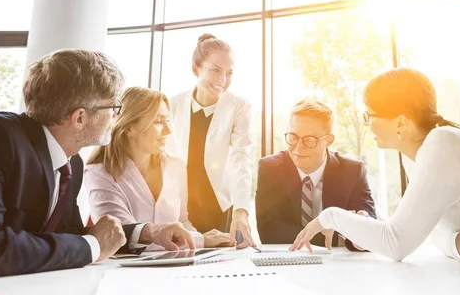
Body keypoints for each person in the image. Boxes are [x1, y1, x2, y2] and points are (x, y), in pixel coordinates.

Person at [0, 49, 196, 278]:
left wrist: (148, 232)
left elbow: (71, 234)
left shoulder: (72, 164)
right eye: (114, 108)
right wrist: (92, 247)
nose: (117, 117)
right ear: (80, 118)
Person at [291, 68, 460, 264]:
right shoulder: (415, 155)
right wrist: (455, 243)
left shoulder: (443, 144)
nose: (367, 125)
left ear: (401, 122)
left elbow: (396, 244)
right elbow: (430, 232)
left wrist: (329, 216)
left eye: (369, 116)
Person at [85, 87, 233, 250]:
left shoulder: (176, 168)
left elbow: (182, 222)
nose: (168, 130)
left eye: (167, 120)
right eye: (158, 121)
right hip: (124, 271)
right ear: (129, 127)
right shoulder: (99, 173)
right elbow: (120, 234)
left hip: (175, 266)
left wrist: (201, 243)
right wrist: (200, 240)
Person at [165, 34, 255, 248]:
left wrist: (241, 209)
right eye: (215, 70)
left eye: (229, 73)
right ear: (196, 70)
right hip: (179, 205)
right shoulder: (172, 104)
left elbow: (241, 157)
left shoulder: (238, 106)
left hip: (220, 206)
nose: (222, 80)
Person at [256, 100, 376, 250]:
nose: (299, 148)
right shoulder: (270, 168)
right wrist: (337, 236)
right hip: (288, 262)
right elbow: (270, 233)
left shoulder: (353, 172)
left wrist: (361, 230)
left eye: (309, 140)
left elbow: (369, 232)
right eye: (293, 137)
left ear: (328, 140)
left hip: (340, 265)